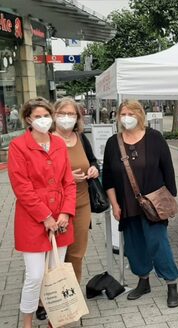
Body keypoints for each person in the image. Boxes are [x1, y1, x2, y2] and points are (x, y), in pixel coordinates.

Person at [102, 100, 178, 308]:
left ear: (140, 115)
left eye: (130, 113)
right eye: (123, 114)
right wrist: (115, 205)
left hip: (153, 204)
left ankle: (171, 283)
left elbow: (168, 169)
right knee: (135, 246)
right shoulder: (113, 143)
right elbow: (107, 178)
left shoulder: (155, 138)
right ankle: (143, 281)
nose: (126, 117)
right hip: (127, 205)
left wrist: (169, 197)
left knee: (158, 243)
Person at [7, 97, 76, 328]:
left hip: (61, 219)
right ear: (28, 118)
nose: (43, 120)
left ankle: (56, 321)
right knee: (35, 276)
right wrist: (45, 216)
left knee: (56, 274)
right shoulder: (18, 146)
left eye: (46, 116)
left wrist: (66, 212)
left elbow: (69, 182)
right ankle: (27, 322)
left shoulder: (58, 144)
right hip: (32, 220)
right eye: (38, 116)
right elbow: (21, 187)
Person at [53, 97, 99, 283]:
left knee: (77, 254)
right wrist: (67, 178)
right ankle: (46, 300)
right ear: (54, 115)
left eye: (71, 114)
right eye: (62, 113)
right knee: (55, 255)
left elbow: (92, 160)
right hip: (57, 206)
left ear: (78, 117)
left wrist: (94, 169)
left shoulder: (80, 138)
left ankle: (72, 299)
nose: (66, 117)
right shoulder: (48, 140)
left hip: (82, 203)